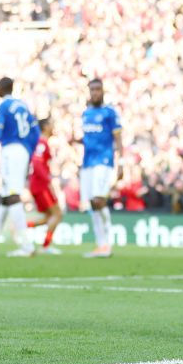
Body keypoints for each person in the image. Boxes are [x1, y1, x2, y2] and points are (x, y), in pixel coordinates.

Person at [0, 77, 40, 257]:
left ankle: (26, 246)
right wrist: (29, 152)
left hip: (11, 150)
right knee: (5, 197)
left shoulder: (2, 106)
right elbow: (36, 132)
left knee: (12, 195)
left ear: (0, 89)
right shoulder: (23, 105)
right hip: (23, 151)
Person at [79, 78, 123, 258]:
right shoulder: (86, 114)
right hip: (87, 162)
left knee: (99, 199)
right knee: (91, 202)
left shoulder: (110, 112)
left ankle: (107, 244)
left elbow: (118, 139)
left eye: (98, 89)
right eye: (92, 90)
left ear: (103, 91)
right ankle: (101, 245)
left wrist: (121, 163)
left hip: (104, 161)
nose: (95, 93)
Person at [27, 117, 63, 254]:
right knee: (57, 214)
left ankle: (21, 227)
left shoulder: (39, 143)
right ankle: (46, 246)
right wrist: (49, 182)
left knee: (49, 216)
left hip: (36, 184)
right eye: (51, 124)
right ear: (46, 127)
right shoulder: (42, 143)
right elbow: (37, 164)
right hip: (41, 184)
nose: (54, 127)